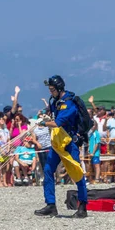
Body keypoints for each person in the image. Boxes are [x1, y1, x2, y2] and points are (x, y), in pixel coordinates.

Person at [35, 75, 88, 218]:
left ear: (59, 89)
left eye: (52, 89)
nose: (50, 92)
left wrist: (43, 123)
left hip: (70, 143)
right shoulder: (56, 101)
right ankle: (51, 205)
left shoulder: (68, 104)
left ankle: (83, 206)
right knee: (48, 170)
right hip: (58, 141)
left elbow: (57, 123)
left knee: (76, 171)